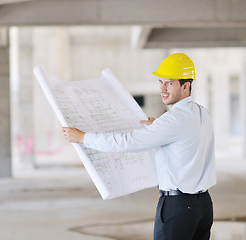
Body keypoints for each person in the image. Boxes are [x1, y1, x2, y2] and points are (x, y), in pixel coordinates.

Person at [62, 53, 216, 240]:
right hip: (203, 207)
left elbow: (128, 142)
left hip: (178, 208)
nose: (162, 89)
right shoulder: (202, 113)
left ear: (186, 86)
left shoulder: (173, 120)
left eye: (169, 83)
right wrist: (158, 126)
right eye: (160, 82)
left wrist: (84, 137)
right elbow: (186, 136)